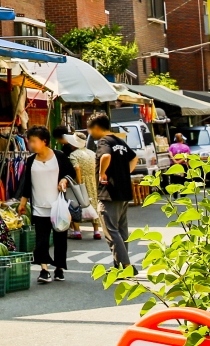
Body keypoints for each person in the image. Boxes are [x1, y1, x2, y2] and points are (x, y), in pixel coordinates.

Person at [17, 126, 75, 283]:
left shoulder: (59, 156)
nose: (31, 144)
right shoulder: (31, 161)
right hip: (39, 207)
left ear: (44, 141)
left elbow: (71, 173)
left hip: (58, 207)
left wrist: (64, 180)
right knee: (41, 241)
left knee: (60, 240)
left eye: (34, 141)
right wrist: (22, 204)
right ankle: (44, 270)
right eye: (30, 141)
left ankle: (59, 268)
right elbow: (26, 185)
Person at [89, 113, 138, 270]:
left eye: (90, 129)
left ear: (96, 127)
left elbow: (105, 156)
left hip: (109, 192)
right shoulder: (119, 141)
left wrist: (102, 173)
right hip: (123, 191)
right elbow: (134, 158)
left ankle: (126, 265)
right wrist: (124, 172)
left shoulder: (104, 141)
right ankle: (119, 265)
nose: (90, 133)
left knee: (111, 231)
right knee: (121, 231)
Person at [57, 127, 102, 241]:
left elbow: (77, 168)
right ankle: (96, 231)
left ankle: (77, 231)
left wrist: (79, 183)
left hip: (79, 181)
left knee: (75, 205)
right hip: (93, 181)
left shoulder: (74, 155)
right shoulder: (92, 153)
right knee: (93, 204)